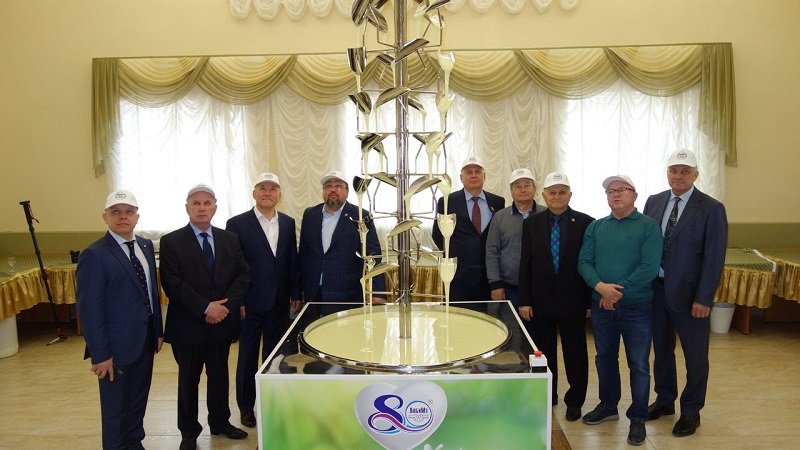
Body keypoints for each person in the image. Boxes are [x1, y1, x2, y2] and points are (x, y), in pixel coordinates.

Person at [643, 149, 728, 437]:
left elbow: (714, 258)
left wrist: (704, 298)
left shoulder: (712, 208)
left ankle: (691, 411)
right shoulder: (654, 201)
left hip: (692, 298)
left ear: (695, 175)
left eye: (685, 171)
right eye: (673, 170)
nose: (678, 176)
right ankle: (665, 400)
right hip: (656, 292)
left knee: (695, 357)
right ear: (667, 173)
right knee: (661, 351)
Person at [160, 184, 251, 450]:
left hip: (222, 322)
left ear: (215, 208)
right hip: (188, 325)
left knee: (220, 376)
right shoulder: (171, 241)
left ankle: (220, 422)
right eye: (196, 203)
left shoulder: (229, 239)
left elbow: (243, 275)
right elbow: (172, 283)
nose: (202, 208)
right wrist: (205, 307)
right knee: (189, 380)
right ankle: (188, 431)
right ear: (187, 208)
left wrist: (224, 308)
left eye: (207, 203)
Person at [577, 174, 663, 446]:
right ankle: (608, 405)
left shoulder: (648, 226)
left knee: (638, 364)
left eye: (621, 190)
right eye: (610, 191)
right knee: (605, 358)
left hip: (637, 306)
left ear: (634, 195)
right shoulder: (596, 227)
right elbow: (584, 262)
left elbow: (649, 267)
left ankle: (638, 417)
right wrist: (600, 287)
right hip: (601, 306)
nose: (615, 194)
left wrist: (614, 293)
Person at [77, 190, 163, 450]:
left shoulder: (145, 246)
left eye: (128, 212)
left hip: (145, 342)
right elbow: (90, 310)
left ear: (137, 216)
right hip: (114, 349)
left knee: (137, 402)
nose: (122, 217)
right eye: (116, 212)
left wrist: (157, 331)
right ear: (105, 217)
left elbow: (151, 293)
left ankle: (134, 443)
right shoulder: (95, 255)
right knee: (116, 410)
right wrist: (100, 354)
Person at [226, 172, 301, 429]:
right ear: (254, 193)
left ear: (279, 194)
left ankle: (271, 403)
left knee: (274, 357)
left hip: (279, 303)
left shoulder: (288, 223)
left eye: (272, 188)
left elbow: (292, 260)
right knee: (247, 358)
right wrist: (237, 301)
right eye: (262, 188)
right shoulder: (237, 223)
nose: (267, 192)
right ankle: (246, 407)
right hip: (249, 304)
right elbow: (233, 266)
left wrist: (296, 294)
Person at [518, 172, 593, 422]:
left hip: (574, 300)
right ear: (544, 195)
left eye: (562, 192)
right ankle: (548, 395)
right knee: (543, 352)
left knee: (575, 353)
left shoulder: (585, 223)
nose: (557, 197)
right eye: (552, 192)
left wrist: (589, 302)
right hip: (541, 301)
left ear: (570, 195)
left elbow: (590, 263)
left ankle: (575, 401)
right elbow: (525, 263)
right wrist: (525, 300)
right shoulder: (531, 224)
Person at [298, 170, 385, 316]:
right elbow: (303, 254)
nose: (332, 189)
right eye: (328, 186)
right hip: (313, 294)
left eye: (338, 186)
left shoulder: (361, 216)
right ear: (323, 191)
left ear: (347, 192)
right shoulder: (310, 214)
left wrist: (378, 292)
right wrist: (297, 291)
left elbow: (374, 255)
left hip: (346, 294)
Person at [432, 156, 505, 310]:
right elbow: (438, 235)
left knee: (487, 321)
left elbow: (499, 237)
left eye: (477, 171)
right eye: (469, 172)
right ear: (461, 177)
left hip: (488, 278)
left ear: (484, 176)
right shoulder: (447, 201)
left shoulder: (498, 202)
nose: (473, 175)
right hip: (458, 278)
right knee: (457, 320)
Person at [485, 168, 545, 322]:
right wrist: (495, 284)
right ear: (511, 191)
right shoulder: (500, 217)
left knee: (539, 332)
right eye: (517, 186)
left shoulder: (546, 215)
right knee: (511, 330)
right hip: (509, 288)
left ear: (535, 189)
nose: (523, 190)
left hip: (540, 289)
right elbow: (492, 251)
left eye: (527, 185)